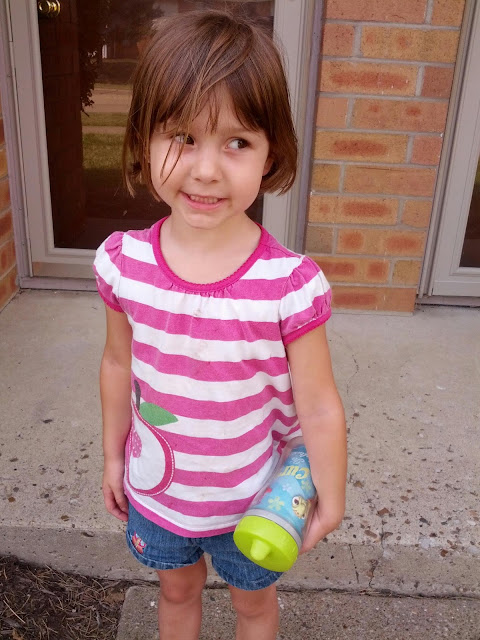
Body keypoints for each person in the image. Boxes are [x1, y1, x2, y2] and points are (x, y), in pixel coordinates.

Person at [94, 9, 347, 640]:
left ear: (270, 153)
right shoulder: (124, 265)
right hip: (160, 496)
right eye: (182, 136)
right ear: (144, 140)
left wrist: (332, 491)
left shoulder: (289, 286)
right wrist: (112, 455)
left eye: (236, 142)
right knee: (176, 593)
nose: (206, 169)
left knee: (253, 607)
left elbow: (318, 405)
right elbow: (118, 363)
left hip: (257, 503)